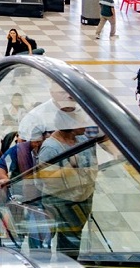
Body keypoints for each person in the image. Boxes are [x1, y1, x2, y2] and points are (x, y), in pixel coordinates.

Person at [34, 110, 98, 258]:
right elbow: (45, 178)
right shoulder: (50, 148)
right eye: (81, 122)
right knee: (66, 239)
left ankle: (69, 266)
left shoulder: (82, 140)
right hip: (62, 202)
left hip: (82, 198)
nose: (86, 125)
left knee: (74, 237)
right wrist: (69, 169)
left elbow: (92, 163)